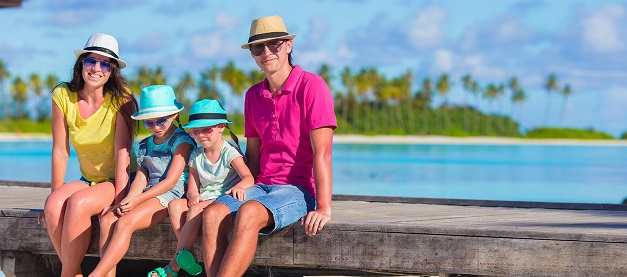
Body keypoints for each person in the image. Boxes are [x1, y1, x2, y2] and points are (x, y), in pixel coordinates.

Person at [200, 15, 337, 276]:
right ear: (251, 53)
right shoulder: (253, 95)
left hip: (297, 189)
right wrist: (234, 186)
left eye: (274, 44)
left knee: (250, 212)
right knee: (212, 214)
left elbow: (323, 154)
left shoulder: (312, 87)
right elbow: (253, 157)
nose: (266, 52)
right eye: (257, 47)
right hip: (260, 186)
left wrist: (323, 208)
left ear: (288, 45)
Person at [39, 33, 138, 277]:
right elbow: (61, 151)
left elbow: (122, 155)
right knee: (53, 207)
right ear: (81, 63)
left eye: (105, 63)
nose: (96, 68)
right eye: (91, 61)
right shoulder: (63, 95)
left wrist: (120, 202)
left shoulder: (121, 100)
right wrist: (56, 194)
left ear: (112, 70)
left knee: (78, 203)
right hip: (88, 180)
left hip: (120, 180)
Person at [88, 85, 195, 277]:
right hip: (148, 193)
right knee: (108, 219)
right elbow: (141, 176)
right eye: (149, 123)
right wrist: (127, 200)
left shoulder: (182, 141)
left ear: (174, 115)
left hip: (171, 194)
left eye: (161, 121)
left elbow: (171, 181)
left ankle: (96, 274)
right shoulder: (145, 144)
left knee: (125, 222)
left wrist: (137, 201)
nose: (156, 127)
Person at [149, 99, 254, 277]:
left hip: (223, 200)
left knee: (196, 209)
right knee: (174, 205)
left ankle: (174, 264)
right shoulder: (196, 155)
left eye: (206, 130)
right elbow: (193, 184)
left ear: (221, 127)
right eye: (195, 131)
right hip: (205, 199)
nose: (201, 135)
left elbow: (249, 177)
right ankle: (188, 253)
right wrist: (193, 194)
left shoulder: (229, 152)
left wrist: (239, 187)